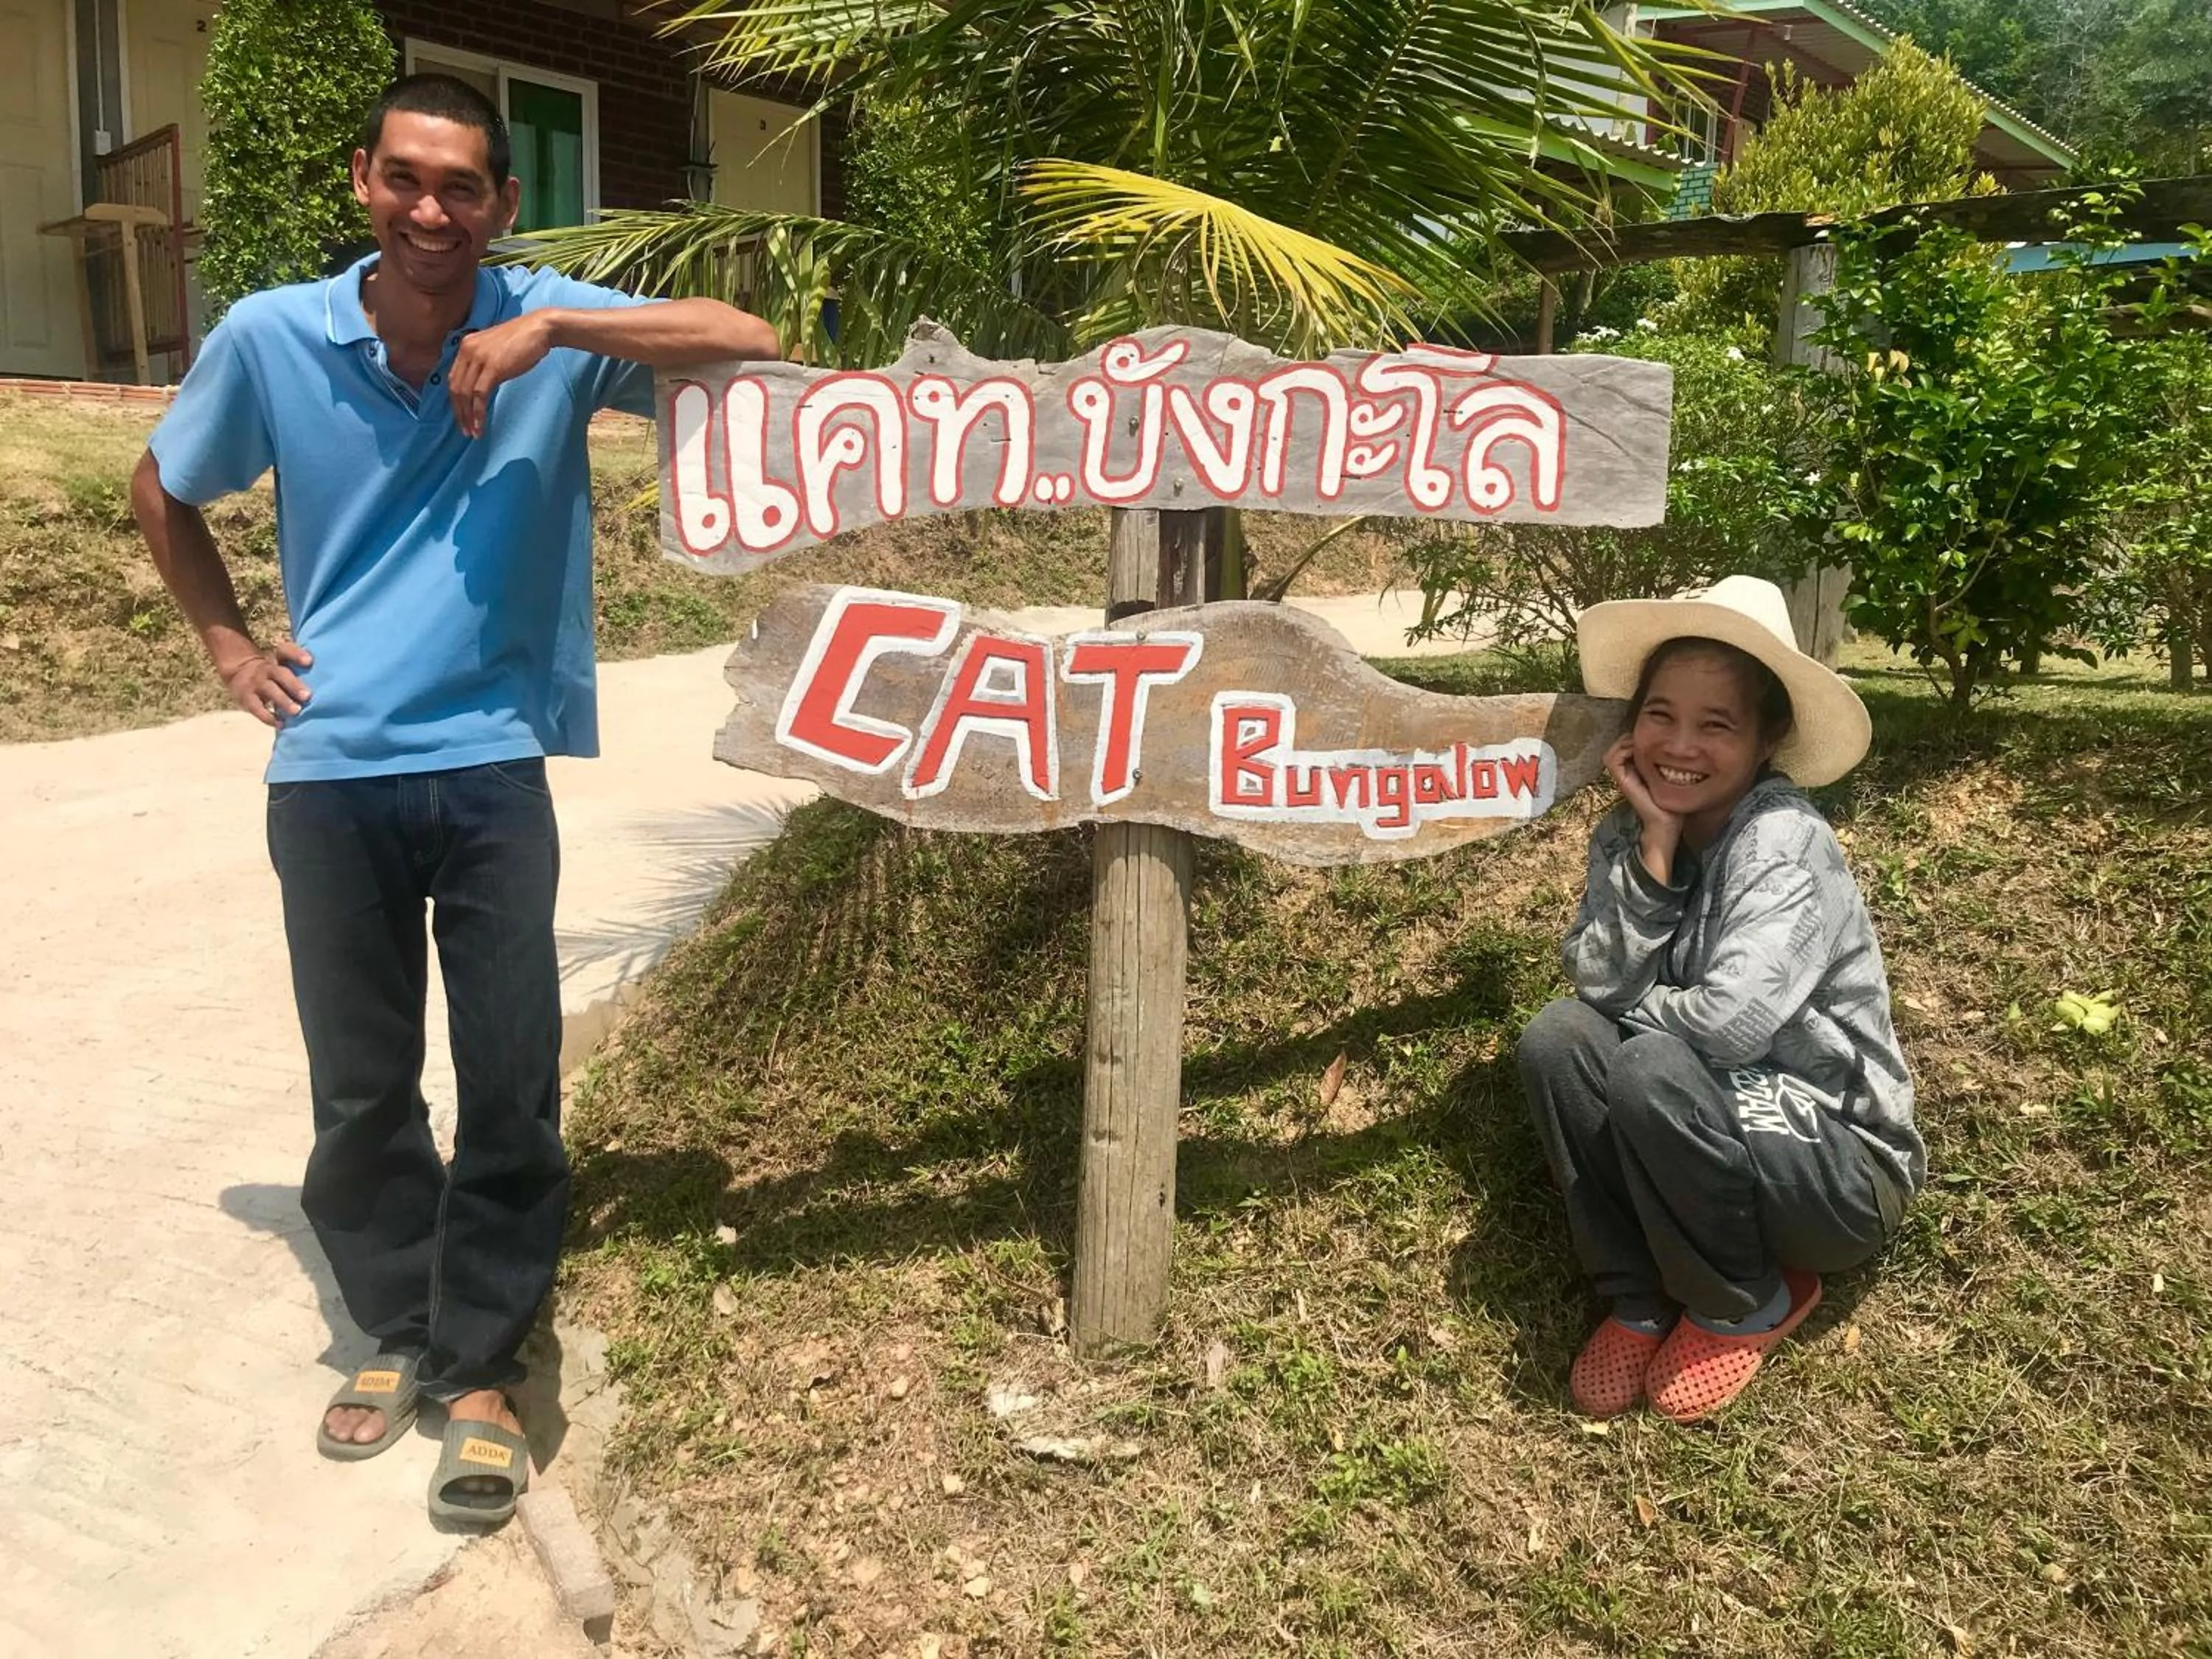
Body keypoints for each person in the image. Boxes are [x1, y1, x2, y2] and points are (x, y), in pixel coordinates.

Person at [132, 73, 779, 1526]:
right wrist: (230, 642)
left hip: (492, 761)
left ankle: (483, 1366)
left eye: (464, 187)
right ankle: (402, 1332)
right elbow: (161, 487)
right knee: (361, 1088)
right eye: (407, 179)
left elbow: (746, 343)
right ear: (364, 179)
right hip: (329, 770)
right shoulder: (274, 336)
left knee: (507, 1079)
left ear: (498, 202)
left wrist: (559, 326)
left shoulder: (547, 326)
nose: (433, 210)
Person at [1515, 575, 1921, 1424]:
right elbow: (1592, 984)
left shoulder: (1783, 841)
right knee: (1558, 1040)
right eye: (1660, 713)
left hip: (1831, 1165)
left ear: (1768, 738)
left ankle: (1745, 1298)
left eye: (1717, 724)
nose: (1680, 744)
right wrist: (1656, 855)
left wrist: (1637, 1020)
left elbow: (1731, 1027)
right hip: (1699, 1131)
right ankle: (1640, 1294)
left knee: (1649, 1064)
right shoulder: (1630, 831)